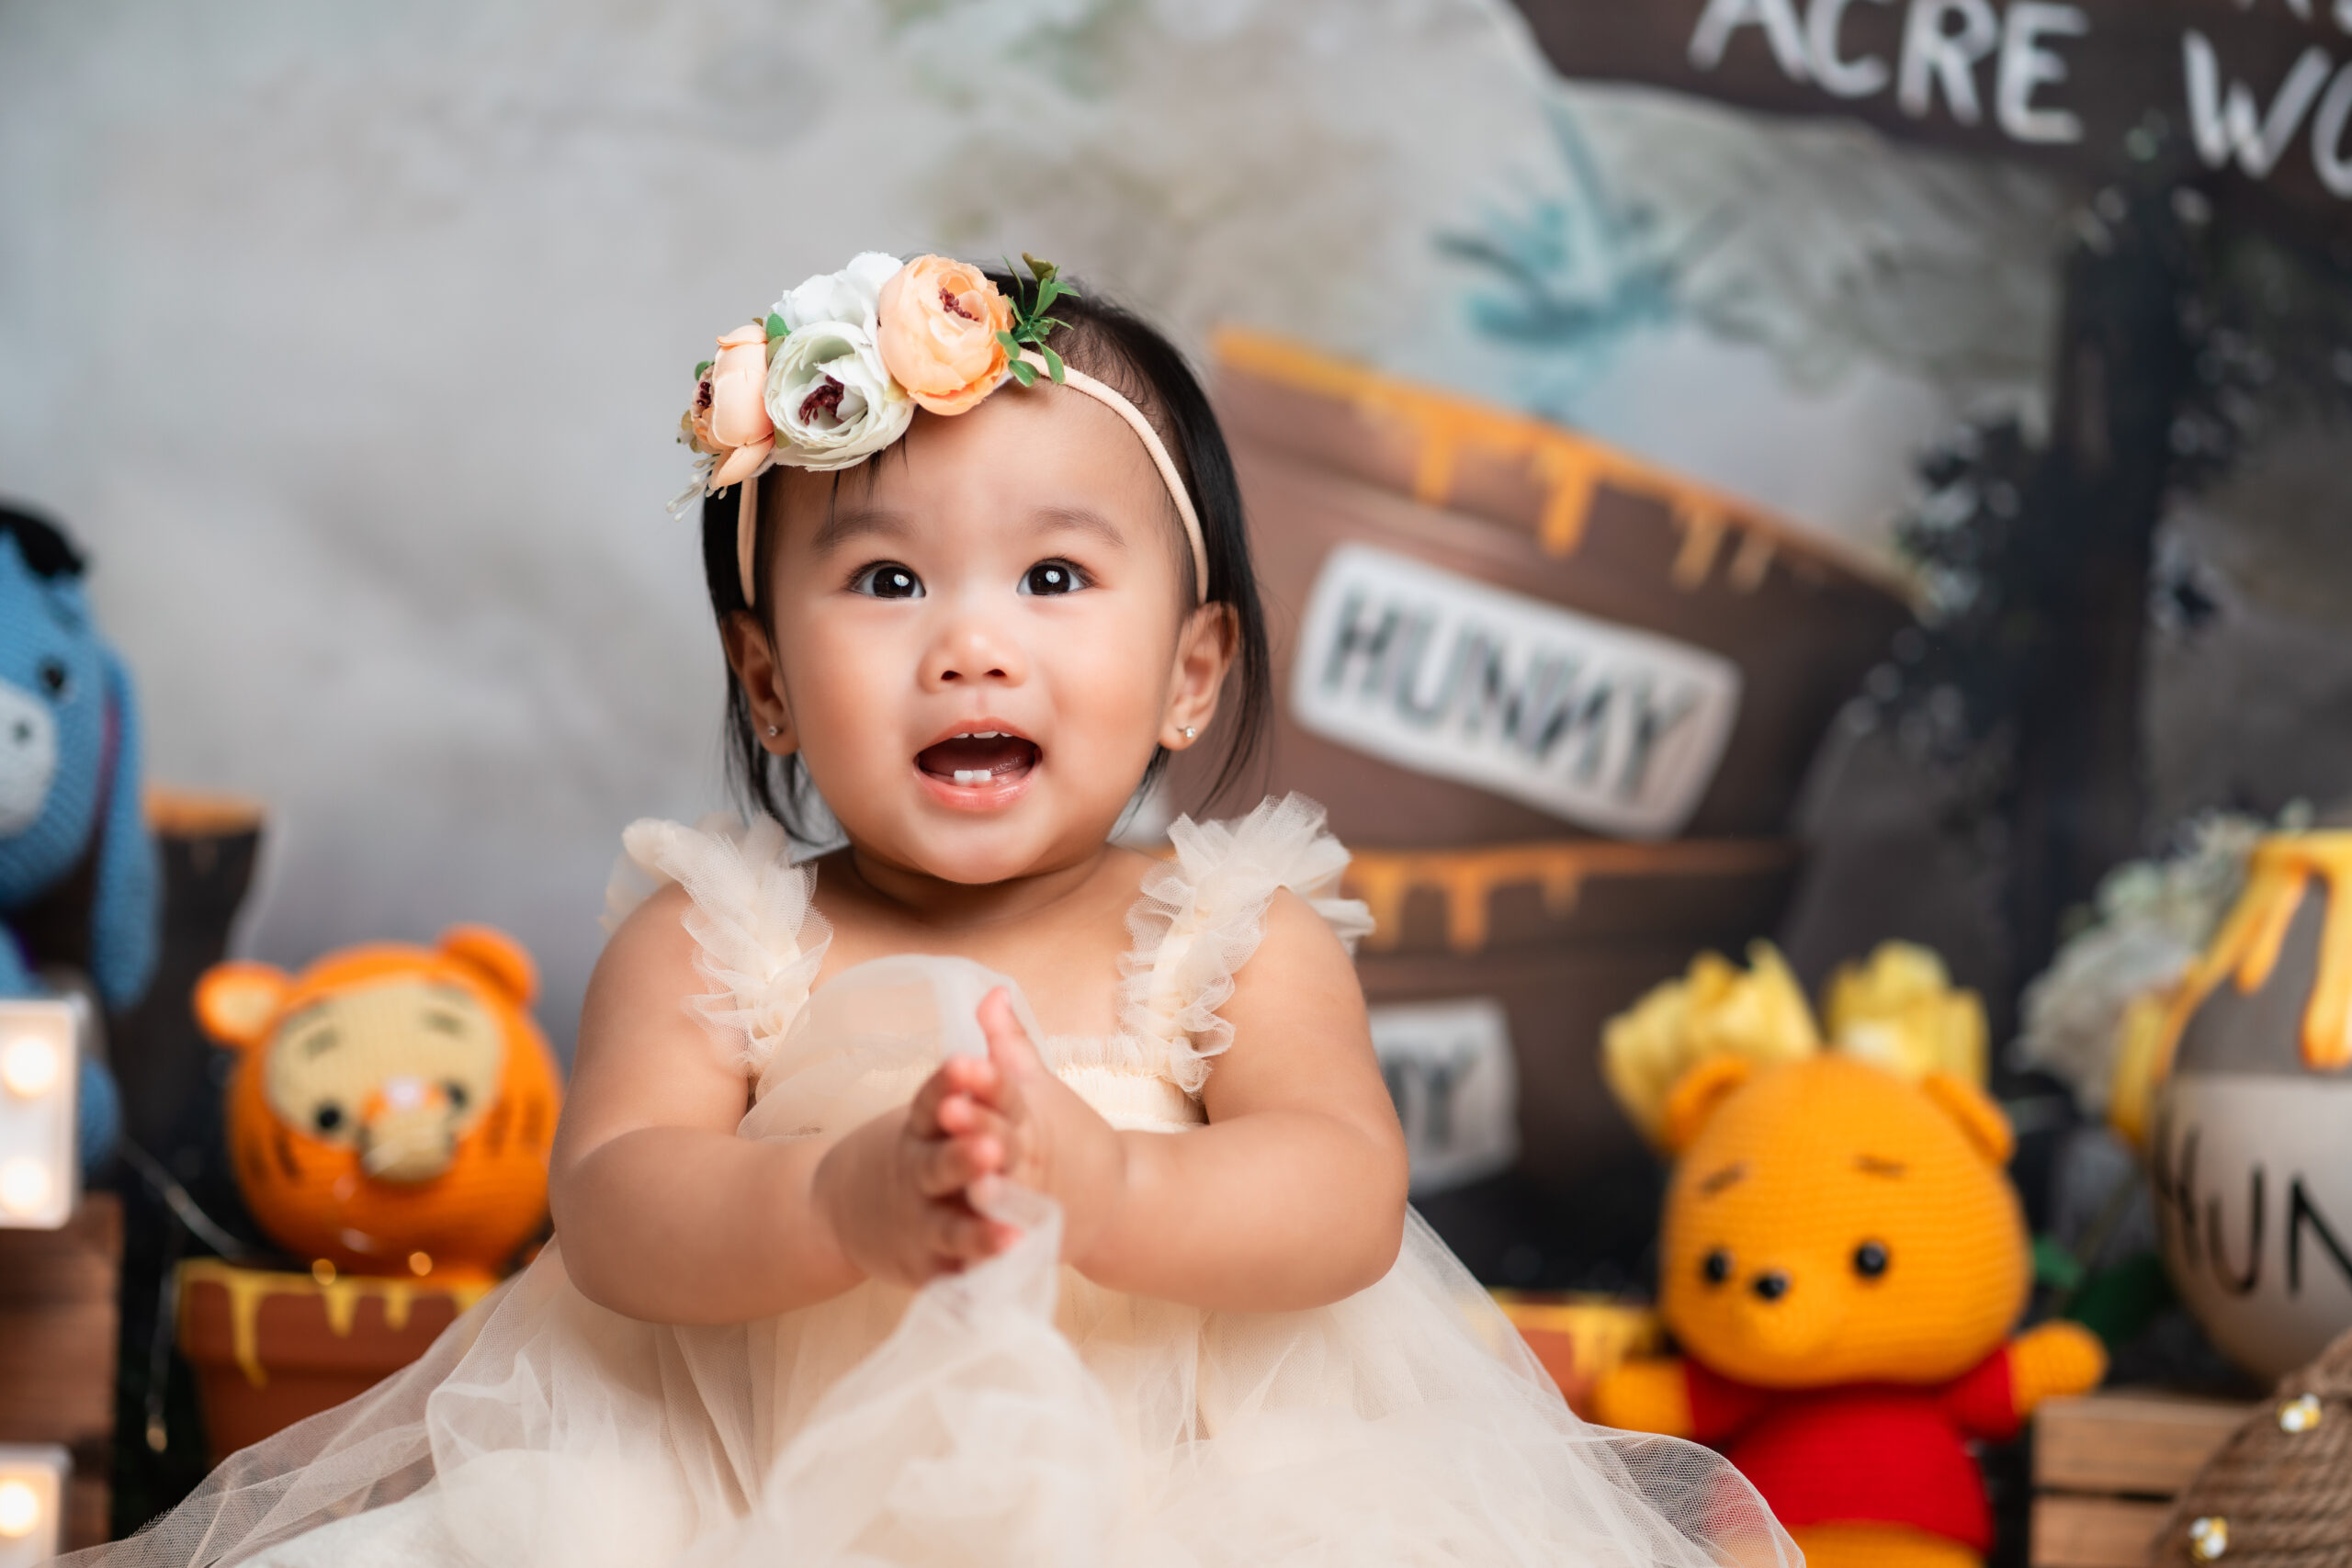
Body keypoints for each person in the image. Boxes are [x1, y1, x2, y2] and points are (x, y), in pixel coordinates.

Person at [81, 254, 1794, 1567]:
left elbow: (1343, 1197)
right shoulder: (714, 936)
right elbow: (612, 1211)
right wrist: (836, 1201)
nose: (972, 641)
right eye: (885, 578)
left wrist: (1107, 1180)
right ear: (766, 678)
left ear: (1191, 671)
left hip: (1186, 1504)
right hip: (733, 1501)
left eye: (1055, 578)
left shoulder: (1228, 932)